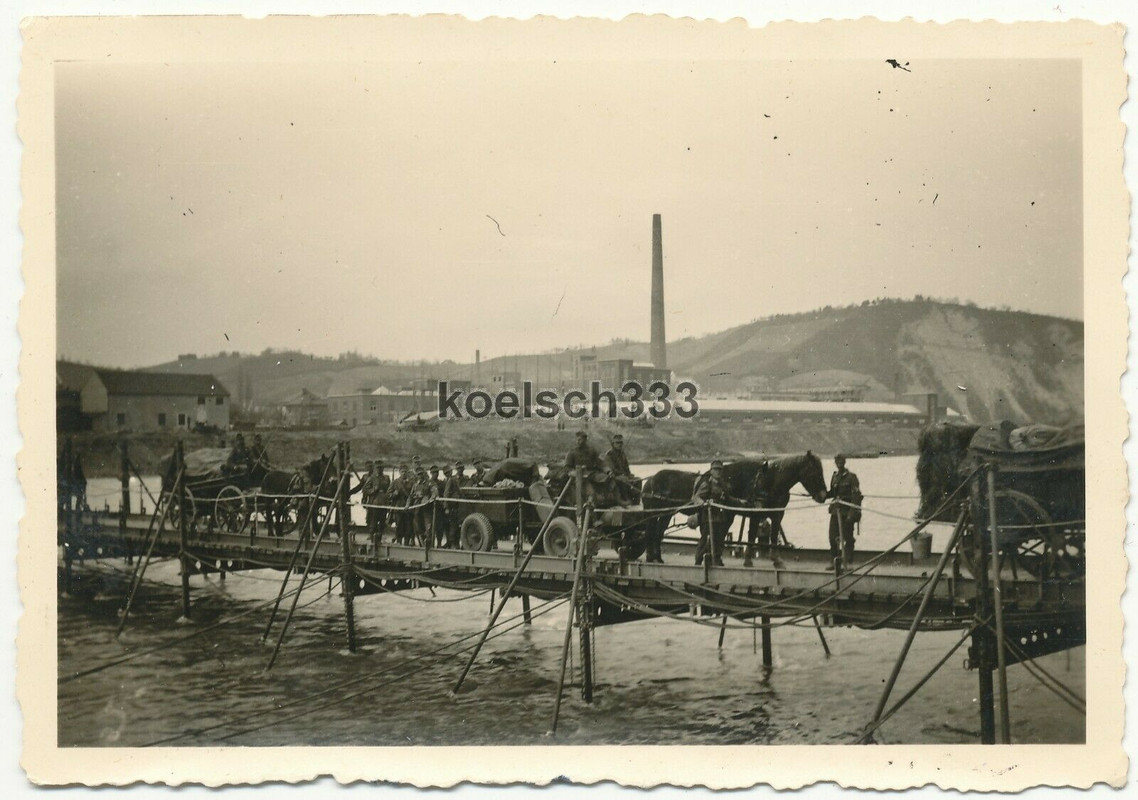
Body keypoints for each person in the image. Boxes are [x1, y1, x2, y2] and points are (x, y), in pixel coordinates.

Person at [692, 460, 746, 567]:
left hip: (720, 517)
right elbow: (696, 497)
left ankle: (716, 559)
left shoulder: (723, 485)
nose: (718, 472)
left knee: (719, 540)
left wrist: (740, 501)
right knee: (705, 540)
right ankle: (698, 562)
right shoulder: (707, 484)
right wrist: (704, 503)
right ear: (711, 471)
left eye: (720, 470)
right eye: (715, 469)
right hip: (708, 517)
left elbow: (728, 498)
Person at [826, 455, 863, 569]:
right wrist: (820, 495)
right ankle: (834, 562)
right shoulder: (835, 477)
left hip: (847, 512)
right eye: (837, 461)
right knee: (832, 537)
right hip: (835, 511)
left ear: (845, 462)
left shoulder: (852, 477)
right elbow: (832, 493)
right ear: (835, 463)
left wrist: (852, 514)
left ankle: (848, 562)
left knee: (848, 538)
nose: (839, 463)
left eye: (841, 461)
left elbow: (856, 496)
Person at [602, 433, 640, 506]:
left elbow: (626, 467)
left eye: (621, 442)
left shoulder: (622, 454)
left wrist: (629, 474)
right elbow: (612, 469)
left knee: (638, 480)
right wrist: (624, 474)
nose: (620, 444)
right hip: (613, 477)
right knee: (624, 479)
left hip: (624, 475)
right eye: (617, 443)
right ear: (613, 443)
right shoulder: (609, 455)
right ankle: (625, 499)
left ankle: (636, 501)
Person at [442, 460, 466, 548]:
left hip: (459, 507)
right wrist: (446, 507)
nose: (460, 469)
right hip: (452, 507)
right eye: (458, 468)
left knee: (458, 525)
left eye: (461, 468)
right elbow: (446, 493)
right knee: (453, 526)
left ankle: (457, 544)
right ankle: (453, 544)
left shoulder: (457, 479)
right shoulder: (451, 480)